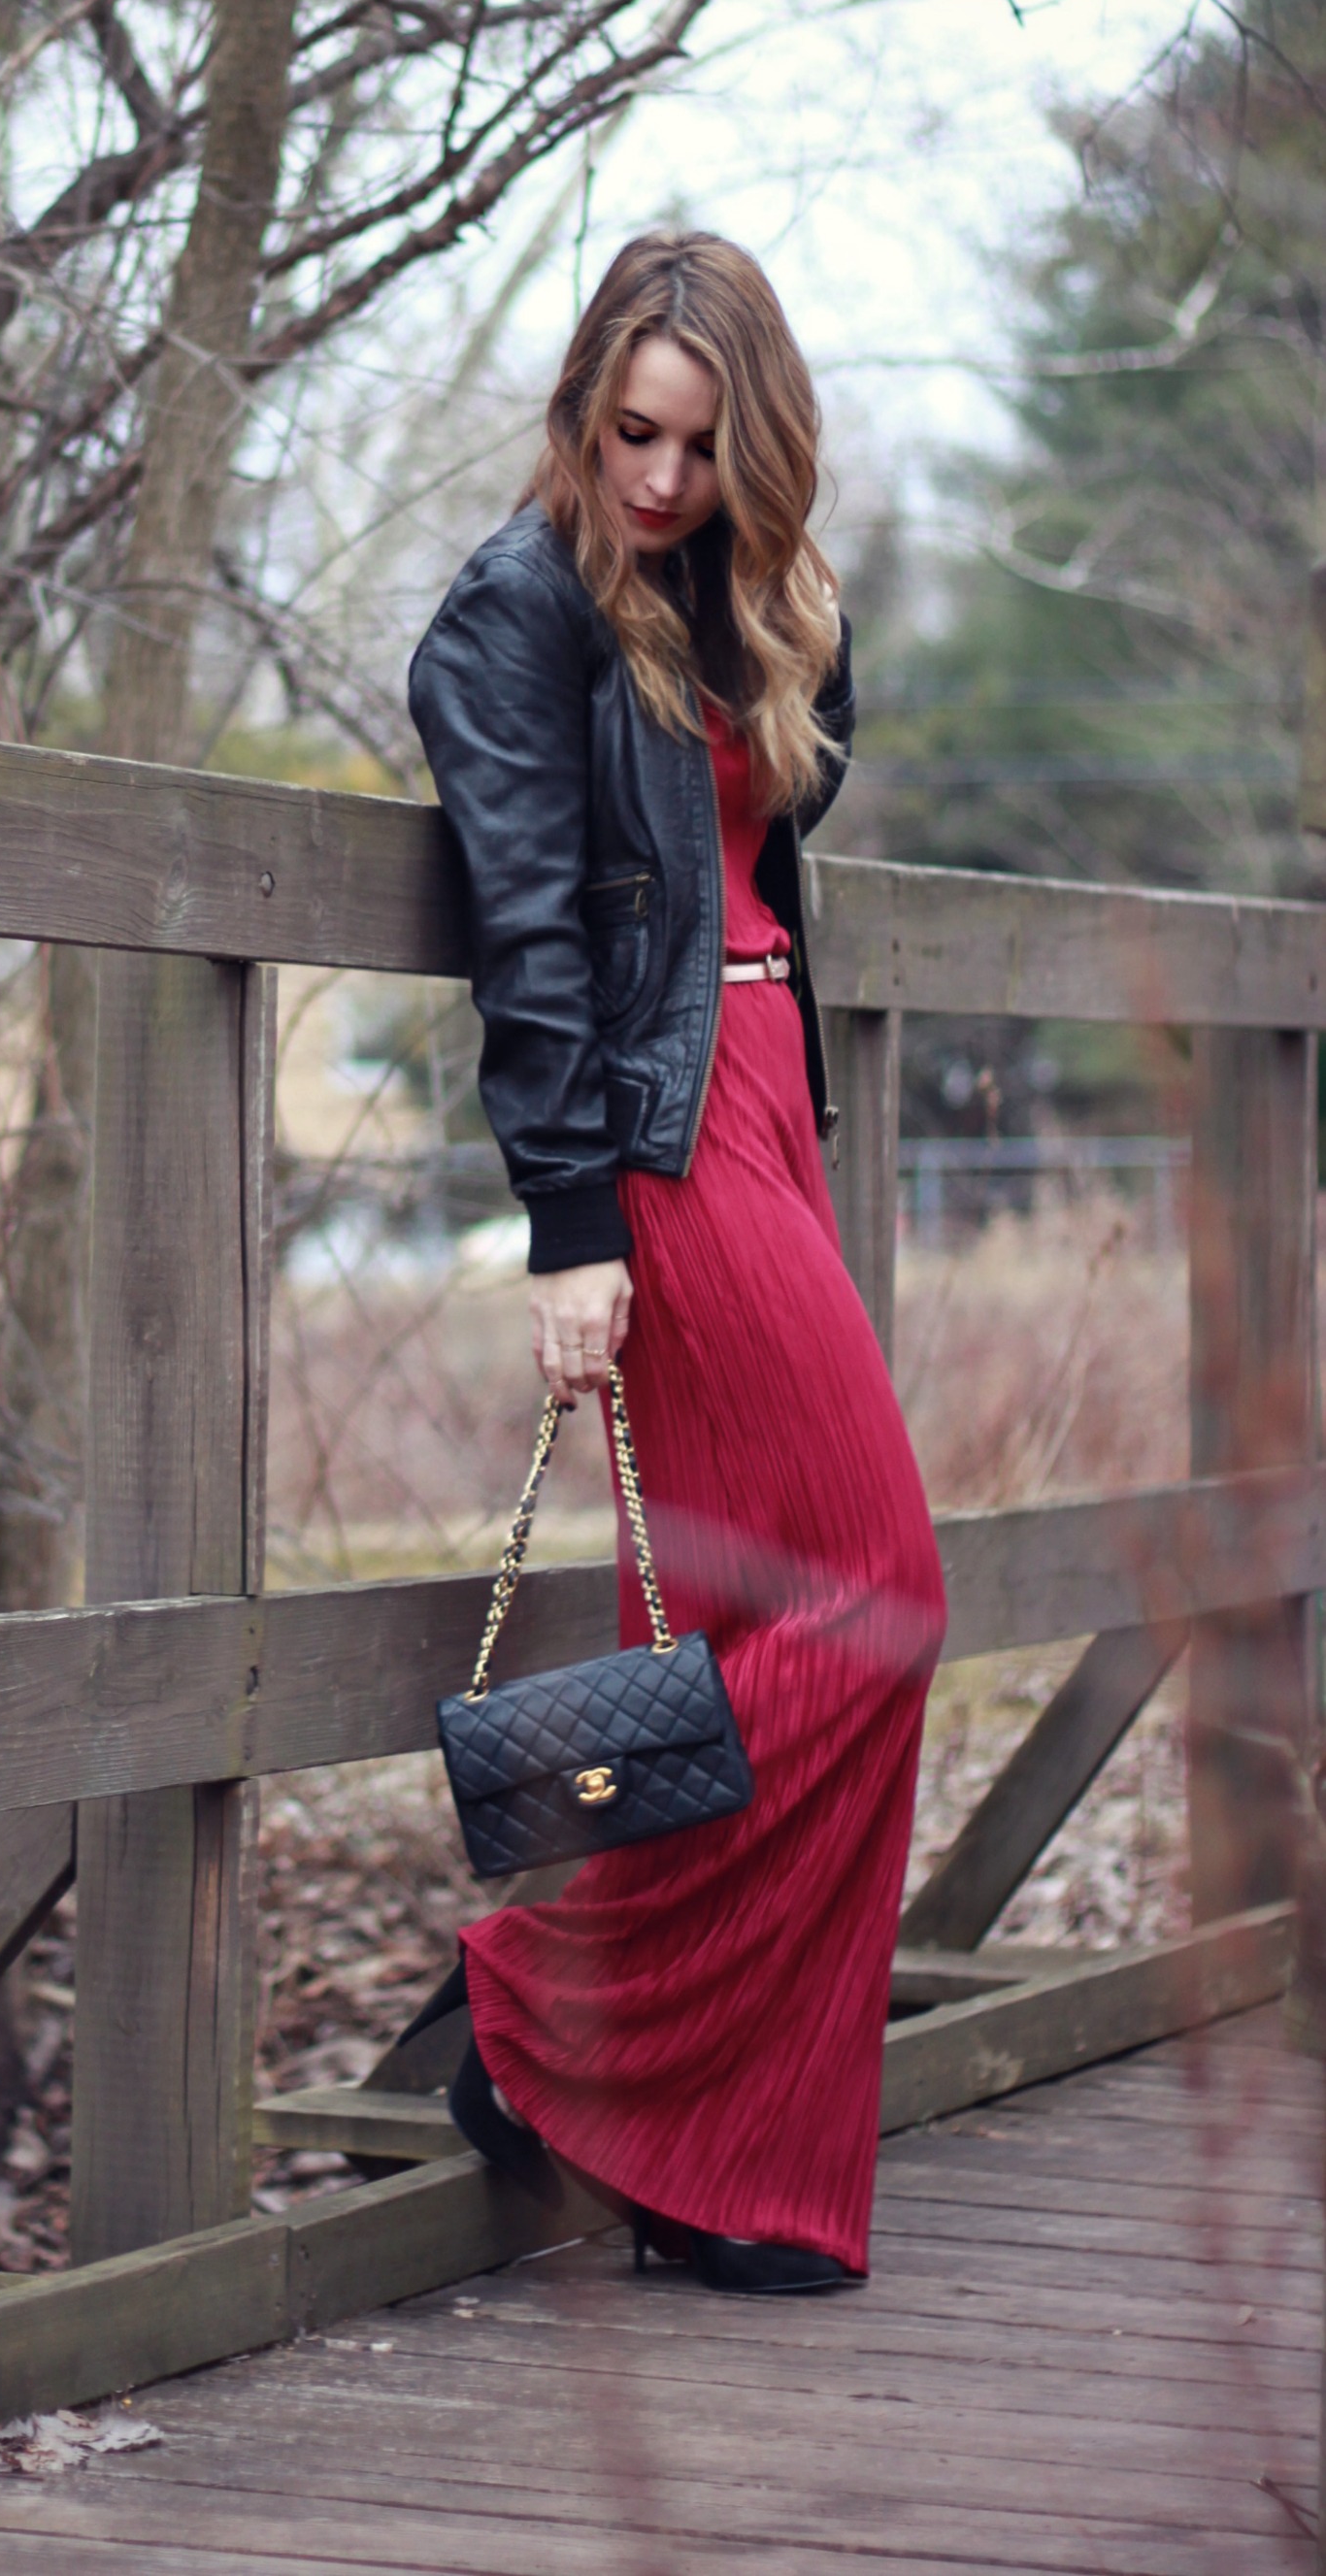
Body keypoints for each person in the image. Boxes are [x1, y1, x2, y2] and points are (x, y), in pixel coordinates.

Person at [407, 229, 945, 2295]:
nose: (651, 478)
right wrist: (563, 1226)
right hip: (654, 1144)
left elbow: (782, 827)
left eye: (698, 448)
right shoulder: (512, 611)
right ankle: (532, 2010)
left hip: (763, 1117)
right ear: (576, 410)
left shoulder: (732, 594)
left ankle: (710, 2156)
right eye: (625, 433)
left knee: (748, 1644)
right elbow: (524, 938)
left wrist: (755, 579)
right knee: (873, 1601)